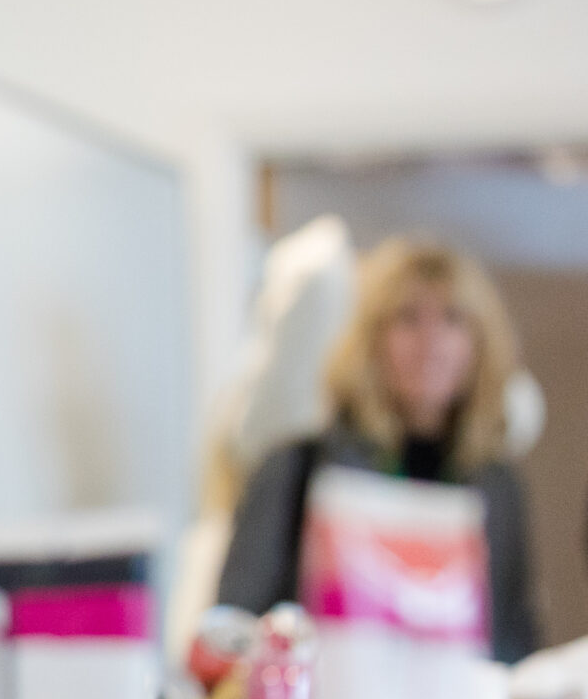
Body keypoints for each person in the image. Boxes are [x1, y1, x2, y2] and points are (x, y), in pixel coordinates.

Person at [216, 237, 538, 661]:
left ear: (480, 343)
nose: (431, 340)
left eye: (453, 319)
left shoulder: (497, 491)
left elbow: (512, 644)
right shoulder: (297, 471)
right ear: (371, 339)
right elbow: (229, 633)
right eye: (407, 319)